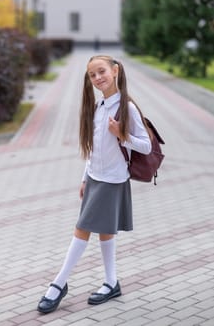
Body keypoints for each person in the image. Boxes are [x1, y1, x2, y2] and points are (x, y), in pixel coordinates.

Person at [37, 55, 152, 314]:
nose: (98, 78)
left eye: (101, 72)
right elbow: (94, 149)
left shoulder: (127, 108)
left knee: (82, 229)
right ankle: (112, 282)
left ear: (115, 71)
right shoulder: (100, 106)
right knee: (104, 231)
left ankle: (59, 283)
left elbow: (145, 145)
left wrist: (122, 135)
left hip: (113, 180)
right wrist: (84, 177)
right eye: (92, 75)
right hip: (96, 179)